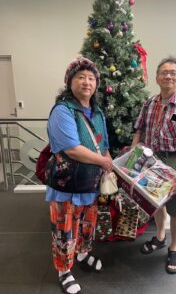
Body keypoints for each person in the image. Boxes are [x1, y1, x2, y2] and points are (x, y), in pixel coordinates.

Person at [46, 57, 113, 294]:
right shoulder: (62, 110)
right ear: (70, 82)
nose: (87, 82)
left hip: (91, 184)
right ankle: (64, 270)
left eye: (91, 78)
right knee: (64, 229)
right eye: (81, 77)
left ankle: (83, 255)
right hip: (66, 184)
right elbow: (72, 148)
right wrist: (104, 161)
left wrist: (107, 161)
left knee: (87, 225)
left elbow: (103, 144)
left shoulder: (98, 113)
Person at [131, 56, 176, 274]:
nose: (168, 76)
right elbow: (139, 130)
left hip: (175, 160)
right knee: (156, 202)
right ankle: (160, 237)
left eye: (173, 73)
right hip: (151, 160)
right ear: (157, 78)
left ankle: (174, 247)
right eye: (164, 72)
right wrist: (133, 158)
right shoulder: (149, 103)